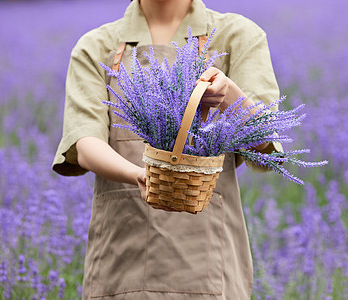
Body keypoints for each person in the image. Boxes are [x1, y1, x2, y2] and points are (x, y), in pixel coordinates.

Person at [53, 0, 282, 299]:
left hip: (207, 262)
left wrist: (230, 96)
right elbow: (84, 144)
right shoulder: (96, 47)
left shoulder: (237, 36)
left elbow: (265, 146)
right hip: (121, 257)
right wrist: (139, 174)